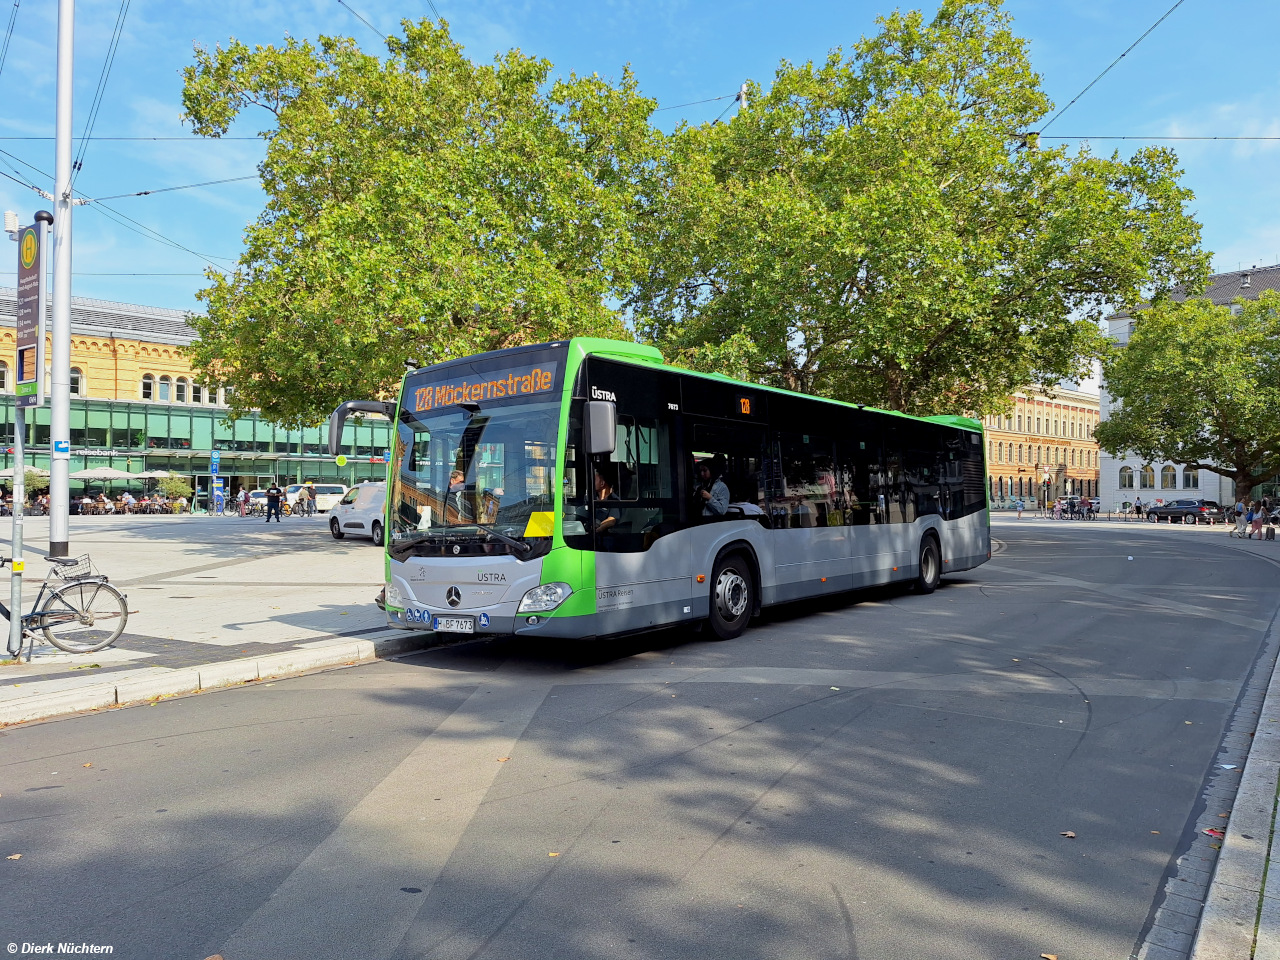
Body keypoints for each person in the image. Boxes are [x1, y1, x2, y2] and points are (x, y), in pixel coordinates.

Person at [593, 467, 620, 533]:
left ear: (602, 483)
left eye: (594, 480)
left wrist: (599, 527)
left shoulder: (613, 499)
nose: (592, 482)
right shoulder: (592, 497)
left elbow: (612, 520)